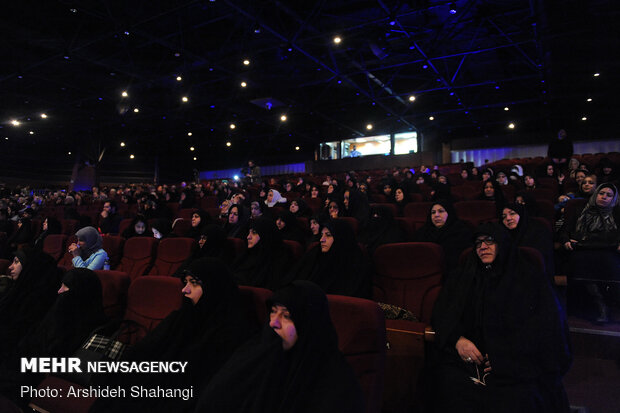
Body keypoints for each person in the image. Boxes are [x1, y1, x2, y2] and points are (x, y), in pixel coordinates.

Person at [430, 223, 571, 412]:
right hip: (468, 360)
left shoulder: (528, 277)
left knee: (517, 401)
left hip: (516, 363)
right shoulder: (463, 275)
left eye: (490, 241)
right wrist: (457, 340)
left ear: (503, 244)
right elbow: (442, 313)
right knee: (449, 390)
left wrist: (503, 357)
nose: (483, 247)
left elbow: (545, 328)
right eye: (478, 243)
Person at [92, 258, 254, 413]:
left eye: (194, 283)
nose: (185, 289)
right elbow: (145, 350)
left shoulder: (232, 331)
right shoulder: (182, 317)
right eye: (186, 282)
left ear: (214, 287)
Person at [195, 280, 364, 413]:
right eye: (273, 311)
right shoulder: (255, 354)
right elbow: (213, 400)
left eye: (287, 316)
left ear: (308, 324)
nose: (273, 322)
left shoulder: (335, 379)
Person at [0, 268, 106, 408]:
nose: (59, 291)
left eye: (66, 287)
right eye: (61, 285)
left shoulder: (96, 329)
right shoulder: (56, 314)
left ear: (81, 293)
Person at [559, 183, 620, 323]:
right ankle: (598, 305)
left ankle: (605, 306)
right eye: (601, 193)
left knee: (609, 264)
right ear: (596, 194)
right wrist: (565, 241)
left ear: (614, 199)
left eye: (609, 195)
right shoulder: (580, 210)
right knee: (581, 263)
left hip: (608, 250)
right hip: (582, 250)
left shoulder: (616, 213)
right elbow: (564, 230)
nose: (604, 197)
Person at [0, 248, 60, 362]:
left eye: (16, 262)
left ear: (31, 267)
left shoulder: (37, 302)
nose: (10, 267)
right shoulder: (15, 290)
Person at [291, 219, 370, 298]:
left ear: (340, 237)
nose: (322, 239)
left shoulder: (355, 261)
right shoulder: (315, 253)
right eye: (321, 235)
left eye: (328, 235)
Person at [232, 217, 292, 290]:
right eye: (249, 232)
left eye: (254, 233)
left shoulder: (278, 259)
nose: (248, 237)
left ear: (265, 235)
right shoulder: (247, 254)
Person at [413, 201, 472, 274]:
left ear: (449, 213)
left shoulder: (460, 232)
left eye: (441, 211)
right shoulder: (422, 233)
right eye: (433, 212)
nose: (436, 215)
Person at [500, 203, 555, 281]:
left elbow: (540, 261)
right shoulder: (503, 234)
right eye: (504, 217)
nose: (508, 218)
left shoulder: (538, 230)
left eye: (512, 214)